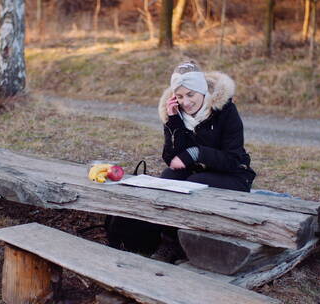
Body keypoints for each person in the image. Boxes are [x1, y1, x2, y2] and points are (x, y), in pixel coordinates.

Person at [106, 61, 256, 263]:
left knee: (197, 182)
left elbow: (232, 159)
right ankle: (172, 241)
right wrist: (174, 122)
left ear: (202, 90)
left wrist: (195, 153)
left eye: (190, 94)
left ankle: (202, 244)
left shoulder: (226, 111)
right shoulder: (176, 113)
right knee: (169, 178)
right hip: (197, 173)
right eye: (180, 96)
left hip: (234, 176)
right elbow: (171, 159)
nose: (186, 102)